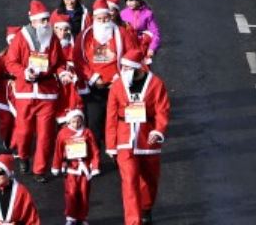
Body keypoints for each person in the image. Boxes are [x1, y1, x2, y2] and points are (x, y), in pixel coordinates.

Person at [4, 1, 65, 175]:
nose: (46, 23)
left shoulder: (52, 38)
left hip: (47, 93)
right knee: (24, 131)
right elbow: (10, 62)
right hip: (26, 92)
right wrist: (24, 73)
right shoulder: (20, 38)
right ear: (32, 20)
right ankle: (23, 155)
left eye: (47, 20)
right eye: (42, 20)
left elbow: (60, 62)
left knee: (45, 135)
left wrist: (62, 73)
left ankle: (40, 170)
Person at [105, 63, 170, 225]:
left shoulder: (156, 83)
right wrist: (111, 145)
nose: (124, 71)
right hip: (125, 141)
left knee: (150, 180)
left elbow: (162, 110)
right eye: (123, 68)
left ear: (137, 68)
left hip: (147, 139)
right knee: (129, 182)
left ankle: (146, 207)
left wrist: (158, 131)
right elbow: (111, 117)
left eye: (128, 69)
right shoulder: (117, 86)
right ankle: (133, 221)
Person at [51, 105, 102, 225]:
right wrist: (56, 166)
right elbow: (58, 151)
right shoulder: (63, 133)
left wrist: (95, 166)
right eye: (73, 121)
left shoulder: (87, 132)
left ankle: (82, 217)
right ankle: (70, 217)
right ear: (69, 121)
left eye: (79, 121)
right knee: (71, 193)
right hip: (71, 169)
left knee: (84, 194)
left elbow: (94, 150)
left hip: (84, 169)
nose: (76, 124)